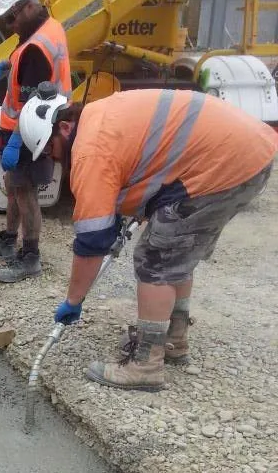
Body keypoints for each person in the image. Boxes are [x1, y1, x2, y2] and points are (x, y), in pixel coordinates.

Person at [17, 86, 277, 391]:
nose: (55, 159)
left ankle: (147, 365)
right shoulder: (101, 115)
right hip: (247, 153)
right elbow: (145, 163)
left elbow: (91, 243)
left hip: (225, 162)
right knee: (174, 251)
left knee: (155, 259)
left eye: (51, 150)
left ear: (63, 127)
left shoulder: (89, 148)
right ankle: (173, 338)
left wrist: (73, 301)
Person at [0, 0, 71, 283]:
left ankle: (30, 256)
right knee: (14, 187)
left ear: (24, 8)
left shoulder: (37, 46)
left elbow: (33, 104)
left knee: (24, 191)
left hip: (31, 131)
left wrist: (16, 141)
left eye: (11, 19)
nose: (10, 25)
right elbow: (34, 74)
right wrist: (8, 67)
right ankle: (9, 238)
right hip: (26, 128)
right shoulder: (45, 29)